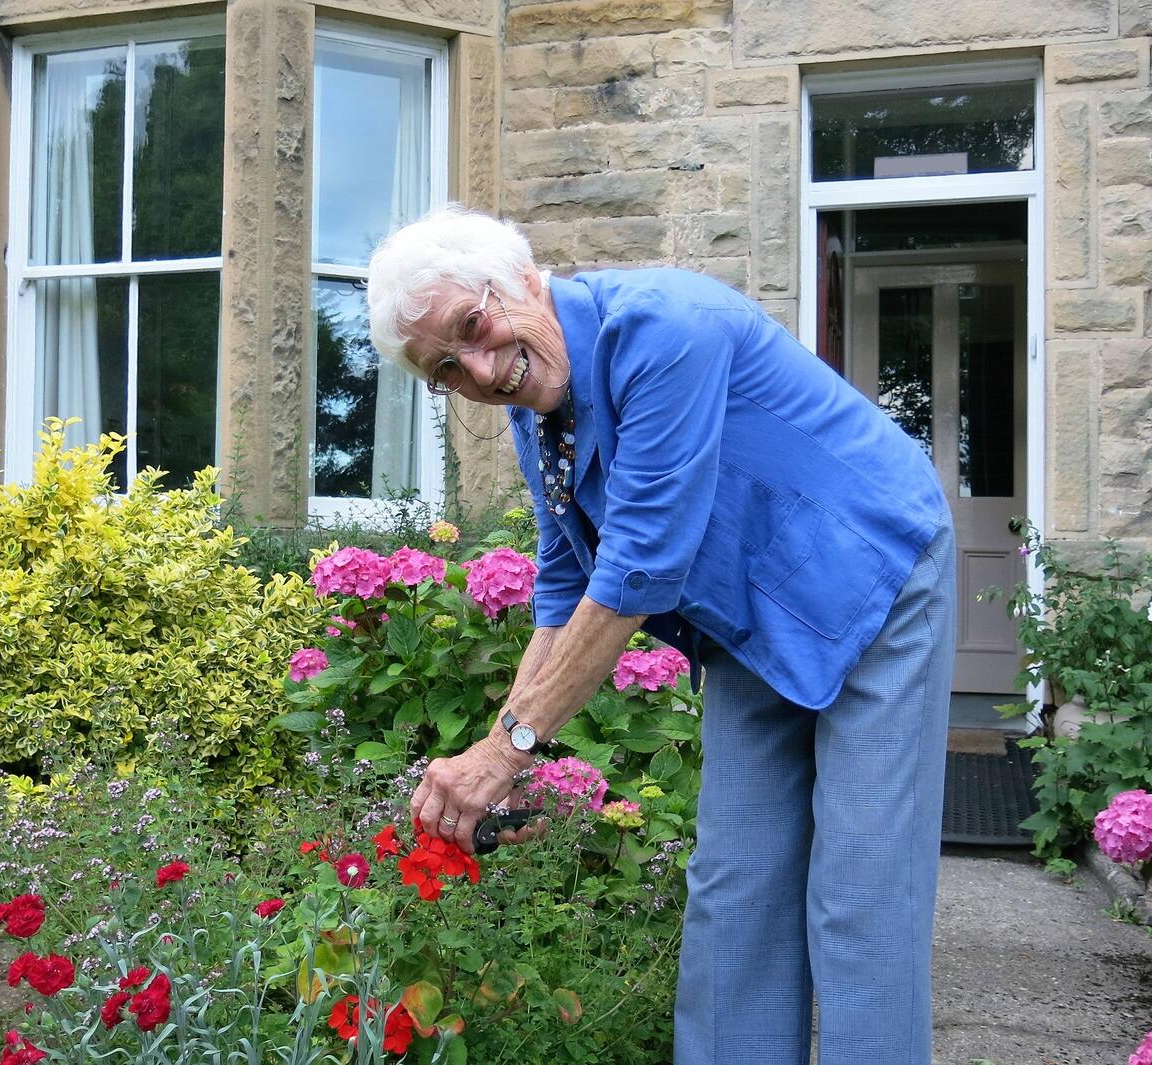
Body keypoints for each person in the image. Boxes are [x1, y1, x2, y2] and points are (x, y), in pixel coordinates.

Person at [365, 203, 954, 1064]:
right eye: (447, 370)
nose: (482, 371)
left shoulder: (666, 330)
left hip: (871, 572)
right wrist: (499, 751)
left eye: (472, 327)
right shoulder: (539, 414)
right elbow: (567, 580)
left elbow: (640, 568)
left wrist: (506, 750)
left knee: (860, 891)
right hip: (755, 616)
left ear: (524, 276)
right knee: (734, 885)